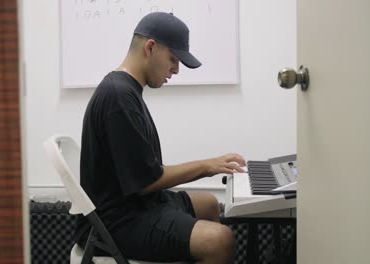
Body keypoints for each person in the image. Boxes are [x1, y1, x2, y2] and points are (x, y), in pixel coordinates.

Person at [75, 12, 246, 264]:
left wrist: (209, 164)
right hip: (117, 221)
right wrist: (207, 166)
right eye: (173, 59)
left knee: (209, 203)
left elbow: (145, 175)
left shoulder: (126, 91)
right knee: (219, 240)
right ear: (151, 48)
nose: (175, 70)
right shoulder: (118, 98)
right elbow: (145, 181)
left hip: (138, 205)